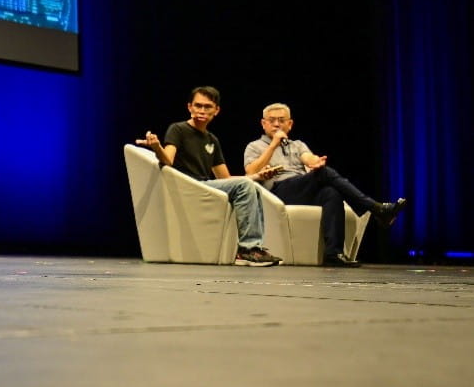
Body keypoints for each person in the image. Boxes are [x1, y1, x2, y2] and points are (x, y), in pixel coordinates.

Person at [242, 103, 408, 267]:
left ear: (290, 124)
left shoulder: (297, 145)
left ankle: (333, 253)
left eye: (281, 120)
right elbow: (250, 172)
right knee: (324, 174)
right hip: (276, 193)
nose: (277, 124)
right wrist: (273, 145)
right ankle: (376, 208)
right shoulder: (254, 146)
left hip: (301, 189)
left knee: (331, 192)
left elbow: (308, 157)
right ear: (263, 123)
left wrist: (316, 162)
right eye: (272, 120)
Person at [138, 86, 285, 266]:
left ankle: (254, 247)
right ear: (189, 107)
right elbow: (168, 160)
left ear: (216, 110)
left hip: (205, 184)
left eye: (207, 107)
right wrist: (157, 147)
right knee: (244, 185)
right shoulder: (178, 129)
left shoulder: (211, 139)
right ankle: (247, 249)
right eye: (197, 106)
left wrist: (256, 177)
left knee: (252, 187)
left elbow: (225, 178)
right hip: (188, 185)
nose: (201, 110)